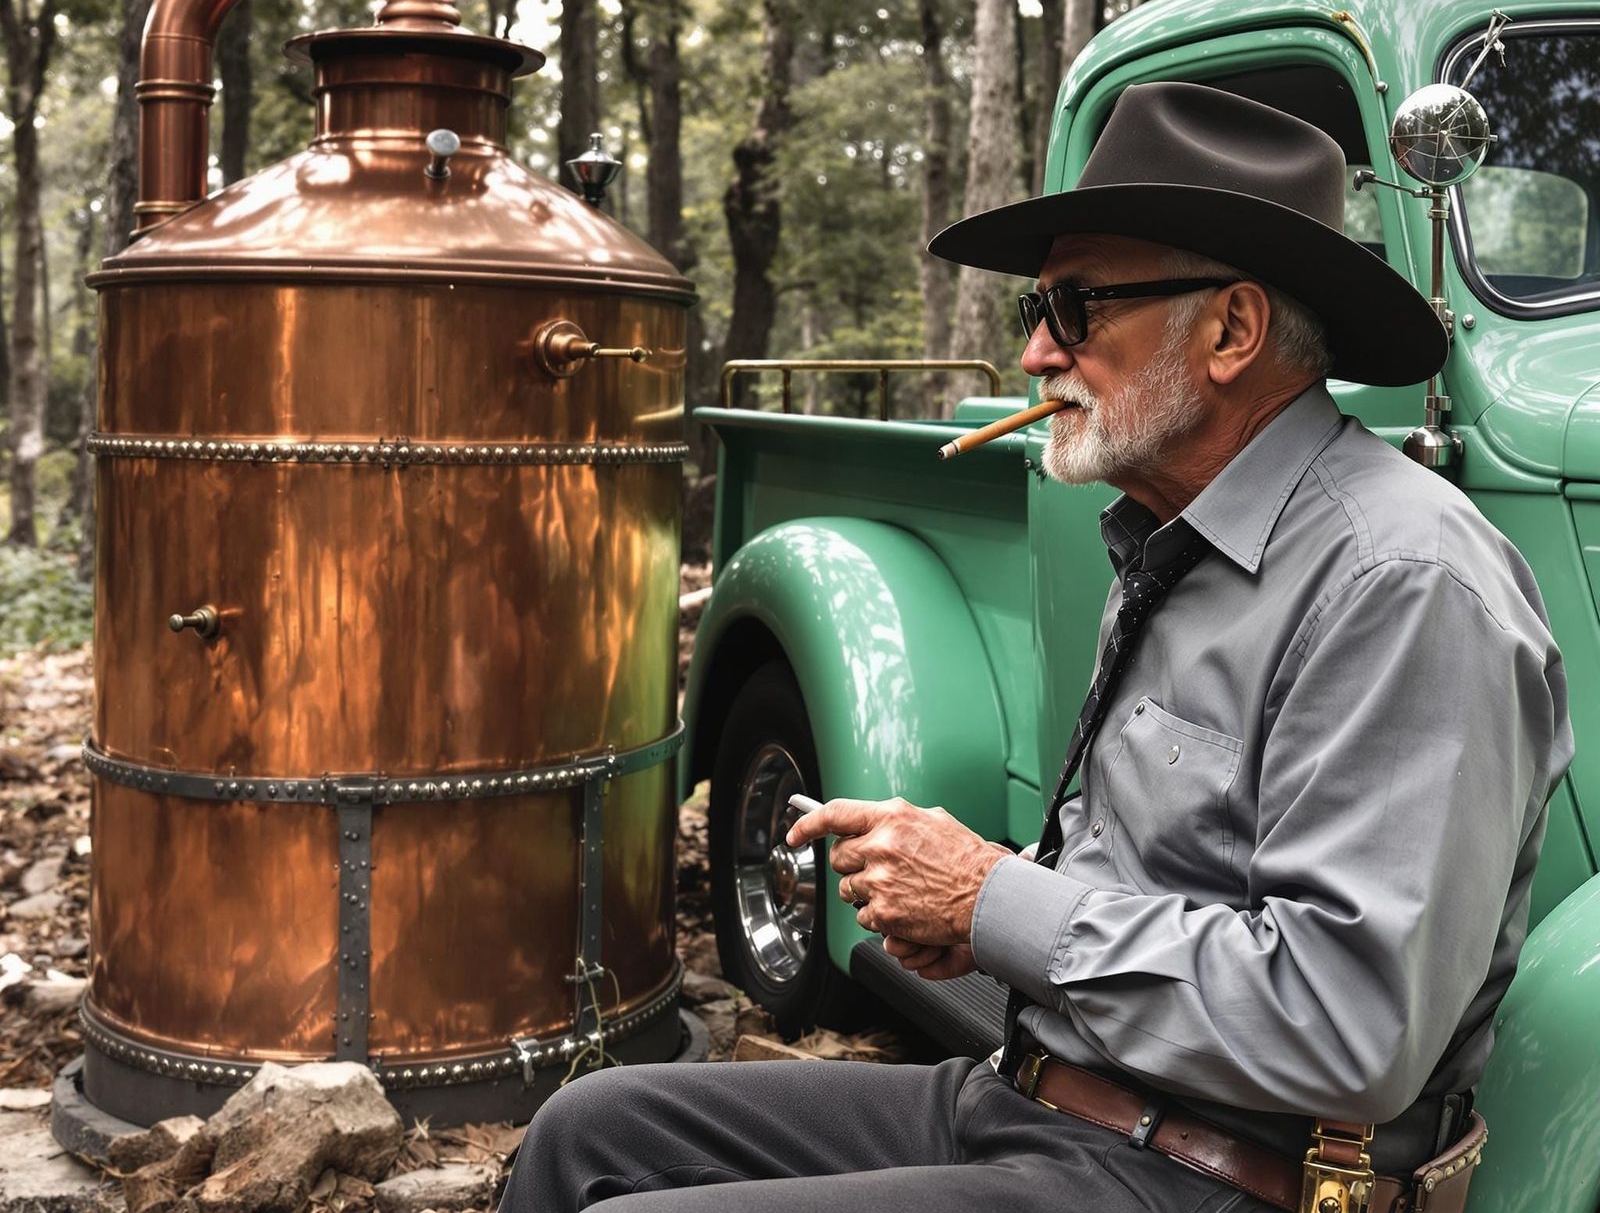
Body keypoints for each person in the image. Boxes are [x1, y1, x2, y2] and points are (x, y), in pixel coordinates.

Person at [499, 81, 1572, 1213]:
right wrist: (977, 897)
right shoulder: (1168, 533)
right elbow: (1166, 884)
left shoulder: (1400, 581)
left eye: (1075, 305)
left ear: (1231, 329)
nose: (1029, 355)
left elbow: (1349, 1027)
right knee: (590, 1127)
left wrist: (993, 901)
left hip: (1214, 1172)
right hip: (1040, 1100)